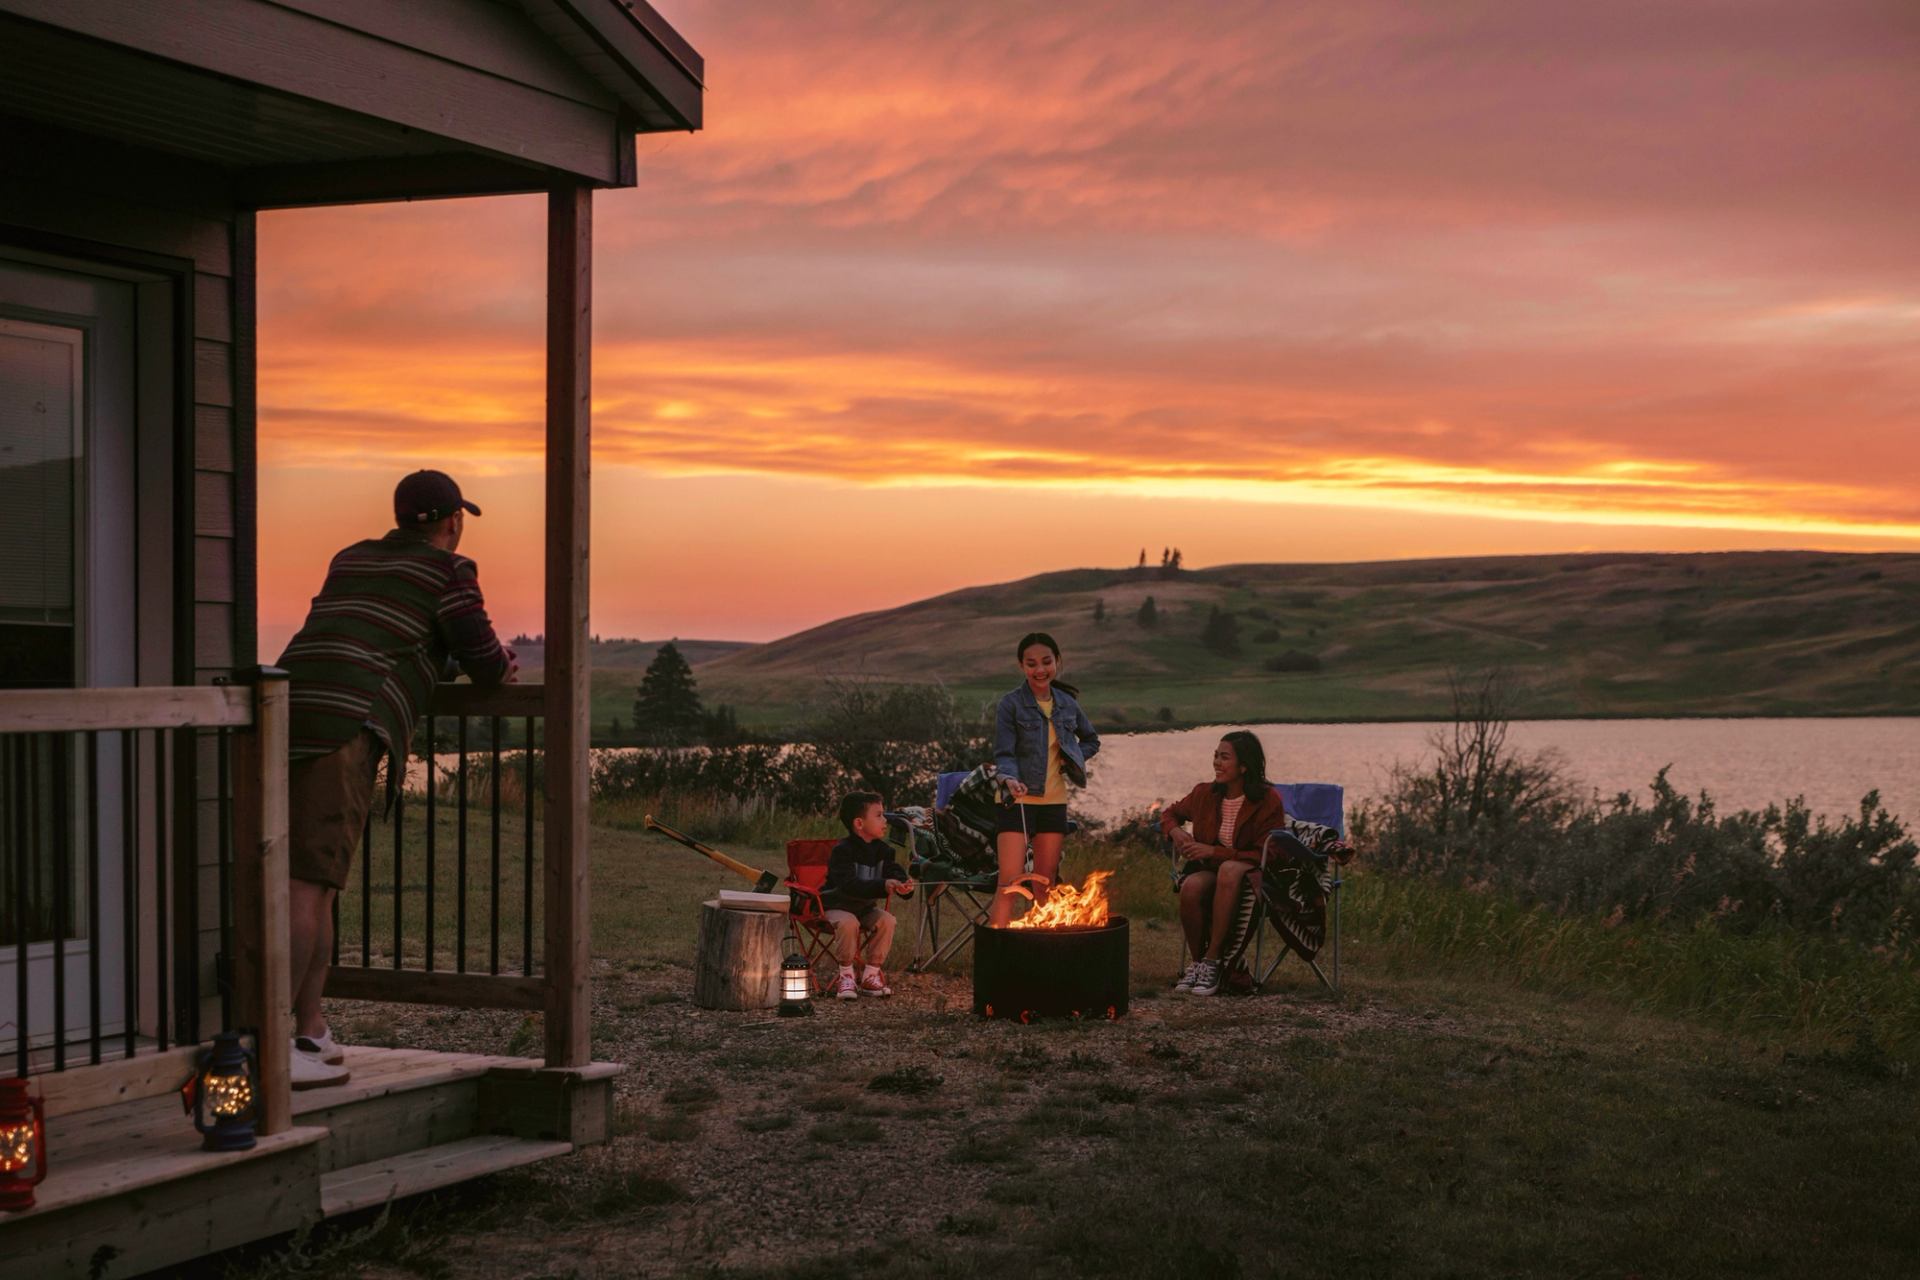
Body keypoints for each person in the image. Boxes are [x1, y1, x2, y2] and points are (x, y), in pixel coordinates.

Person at [276, 470, 515, 1087]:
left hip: (282, 711)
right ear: (453, 522)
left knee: (319, 876)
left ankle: (311, 1028)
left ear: (400, 516)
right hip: (342, 725)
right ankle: (272, 1041)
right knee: (306, 881)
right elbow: (487, 662)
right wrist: (493, 664)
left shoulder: (351, 558)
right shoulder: (449, 573)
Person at [1159, 731, 1286, 996]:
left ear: (1244, 765)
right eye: (1215, 756)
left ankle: (1214, 960)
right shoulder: (1204, 793)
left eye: (1224, 757)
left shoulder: (1267, 800)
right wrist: (1176, 832)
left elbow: (1267, 851)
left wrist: (1214, 851)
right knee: (1192, 885)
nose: (1217, 762)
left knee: (1229, 870)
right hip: (1210, 869)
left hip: (1251, 869)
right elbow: (1169, 813)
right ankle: (1198, 964)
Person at [988, 632, 1100, 927]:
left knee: (1045, 882)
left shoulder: (1067, 704)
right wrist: (1010, 779)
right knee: (1010, 881)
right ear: (1021, 666)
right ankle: (996, 948)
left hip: (1054, 802)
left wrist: (1071, 758)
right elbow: (1004, 752)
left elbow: (1091, 740)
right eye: (1031, 663)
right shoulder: (1010, 704)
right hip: (1016, 800)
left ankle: (1042, 948)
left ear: (1057, 662)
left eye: (1046, 662)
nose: (1040, 670)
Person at [821, 791, 914, 998]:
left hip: (864, 909)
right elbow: (849, 885)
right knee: (849, 922)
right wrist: (882, 884)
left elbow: (894, 872)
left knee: (887, 920)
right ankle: (846, 975)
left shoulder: (884, 851)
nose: (885, 820)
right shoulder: (842, 851)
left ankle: (870, 975)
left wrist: (903, 885)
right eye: (879, 815)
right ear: (859, 823)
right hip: (835, 907)